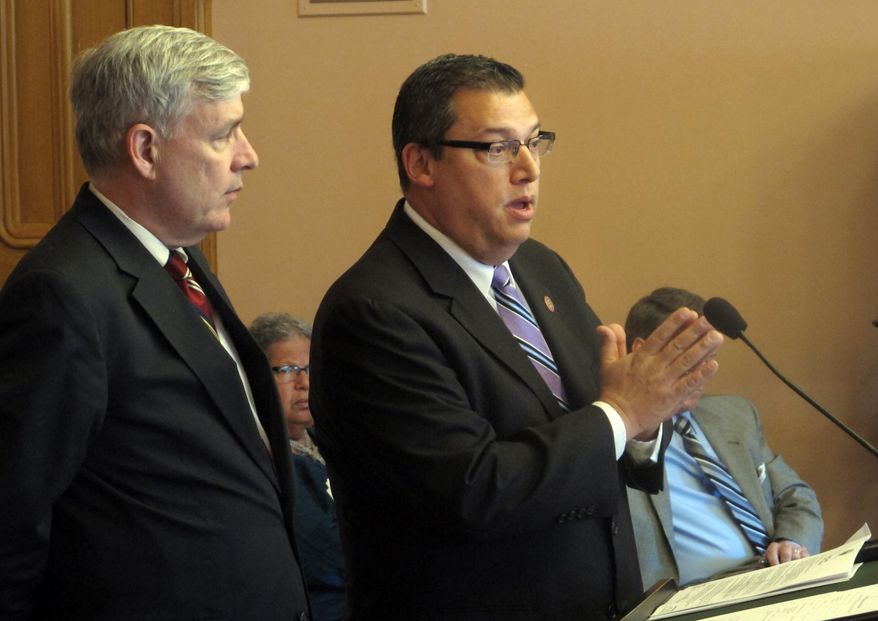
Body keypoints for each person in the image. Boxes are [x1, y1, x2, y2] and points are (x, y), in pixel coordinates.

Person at [309, 53, 724, 620]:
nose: (528, 168)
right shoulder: (375, 312)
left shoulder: (540, 269)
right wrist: (622, 414)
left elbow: (602, 444)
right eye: (497, 148)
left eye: (534, 142)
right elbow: (473, 493)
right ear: (421, 162)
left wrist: (646, 422)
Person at [0, 26, 309, 620]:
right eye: (223, 134)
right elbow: (11, 521)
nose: (249, 155)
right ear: (145, 150)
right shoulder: (61, 295)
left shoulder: (176, 256)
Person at [624, 287, 823, 588]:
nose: (705, 372)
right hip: (699, 599)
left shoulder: (736, 415)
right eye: (691, 357)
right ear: (641, 351)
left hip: (779, 579)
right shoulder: (614, 439)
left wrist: (791, 541)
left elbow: (796, 495)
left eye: (710, 357)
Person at [250, 313, 346, 621]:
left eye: (309, 369)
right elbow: (328, 559)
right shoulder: (264, 457)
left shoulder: (334, 440)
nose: (305, 383)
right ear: (256, 377)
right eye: (289, 370)